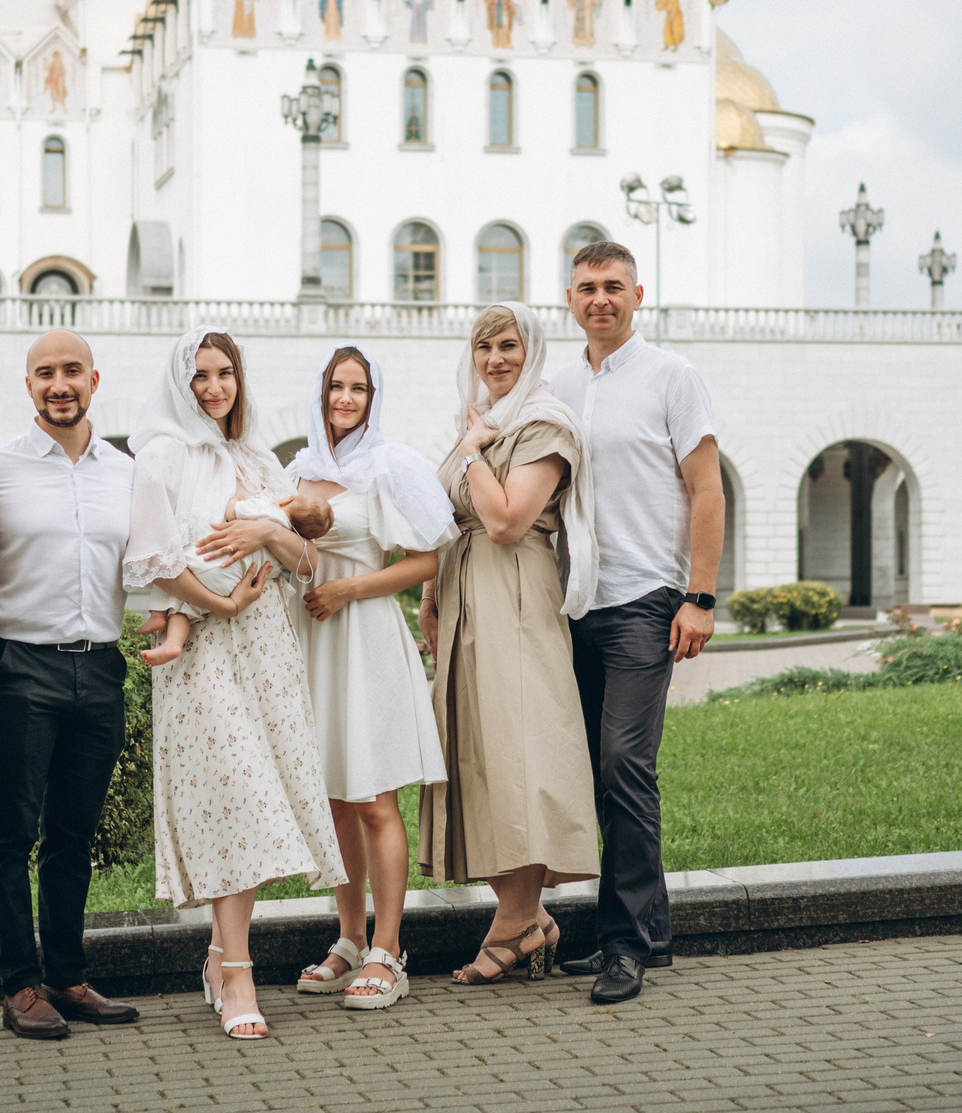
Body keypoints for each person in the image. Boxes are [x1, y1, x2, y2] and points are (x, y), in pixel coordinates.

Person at [125, 327, 345, 1040]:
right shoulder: (159, 454)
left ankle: (222, 955)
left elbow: (307, 556)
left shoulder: (254, 456)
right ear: (179, 381)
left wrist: (263, 535)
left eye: (225, 373)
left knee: (255, 799)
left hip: (266, 643)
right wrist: (215, 602)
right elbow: (152, 559)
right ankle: (240, 975)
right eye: (200, 375)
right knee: (238, 793)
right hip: (204, 645)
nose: (214, 387)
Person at [548, 242, 723, 1006]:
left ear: (638, 294)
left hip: (646, 597)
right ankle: (649, 929)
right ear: (570, 297)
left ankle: (622, 944)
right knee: (597, 772)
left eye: (613, 286)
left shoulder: (672, 377)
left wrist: (702, 596)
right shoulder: (554, 384)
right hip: (574, 602)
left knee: (625, 762)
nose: (601, 299)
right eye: (587, 287)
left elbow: (706, 488)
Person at [0, 329, 143, 1041]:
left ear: (94, 379)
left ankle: (66, 976)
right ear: (28, 383)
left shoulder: (125, 471)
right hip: (20, 668)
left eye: (71, 371)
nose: (59, 383)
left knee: (74, 833)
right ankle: (19, 984)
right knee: (10, 834)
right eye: (45, 372)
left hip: (100, 665)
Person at [418, 303, 600, 987]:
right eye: (484, 345)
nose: (495, 357)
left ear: (534, 349)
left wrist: (471, 451)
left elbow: (504, 519)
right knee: (478, 755)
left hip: (516, 596)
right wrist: (433, 598)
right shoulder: (487, 420)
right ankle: (528, 918)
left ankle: (517, 922)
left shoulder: (543, 424)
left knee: (520, 752)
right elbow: (450, 520)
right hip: (465, 597)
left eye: (509, 344)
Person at [290, 346, 453, 1012]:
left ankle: (391, 949)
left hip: (365, 635)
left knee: (374, 797)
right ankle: (350, 937)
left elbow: (427, 559)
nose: (346, 398)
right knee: (333, 796)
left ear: (373, 396)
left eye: (359, 388)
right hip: (313, 638)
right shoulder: (299, 469)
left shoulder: (391, 463)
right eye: (337, 385)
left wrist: (350, 586)